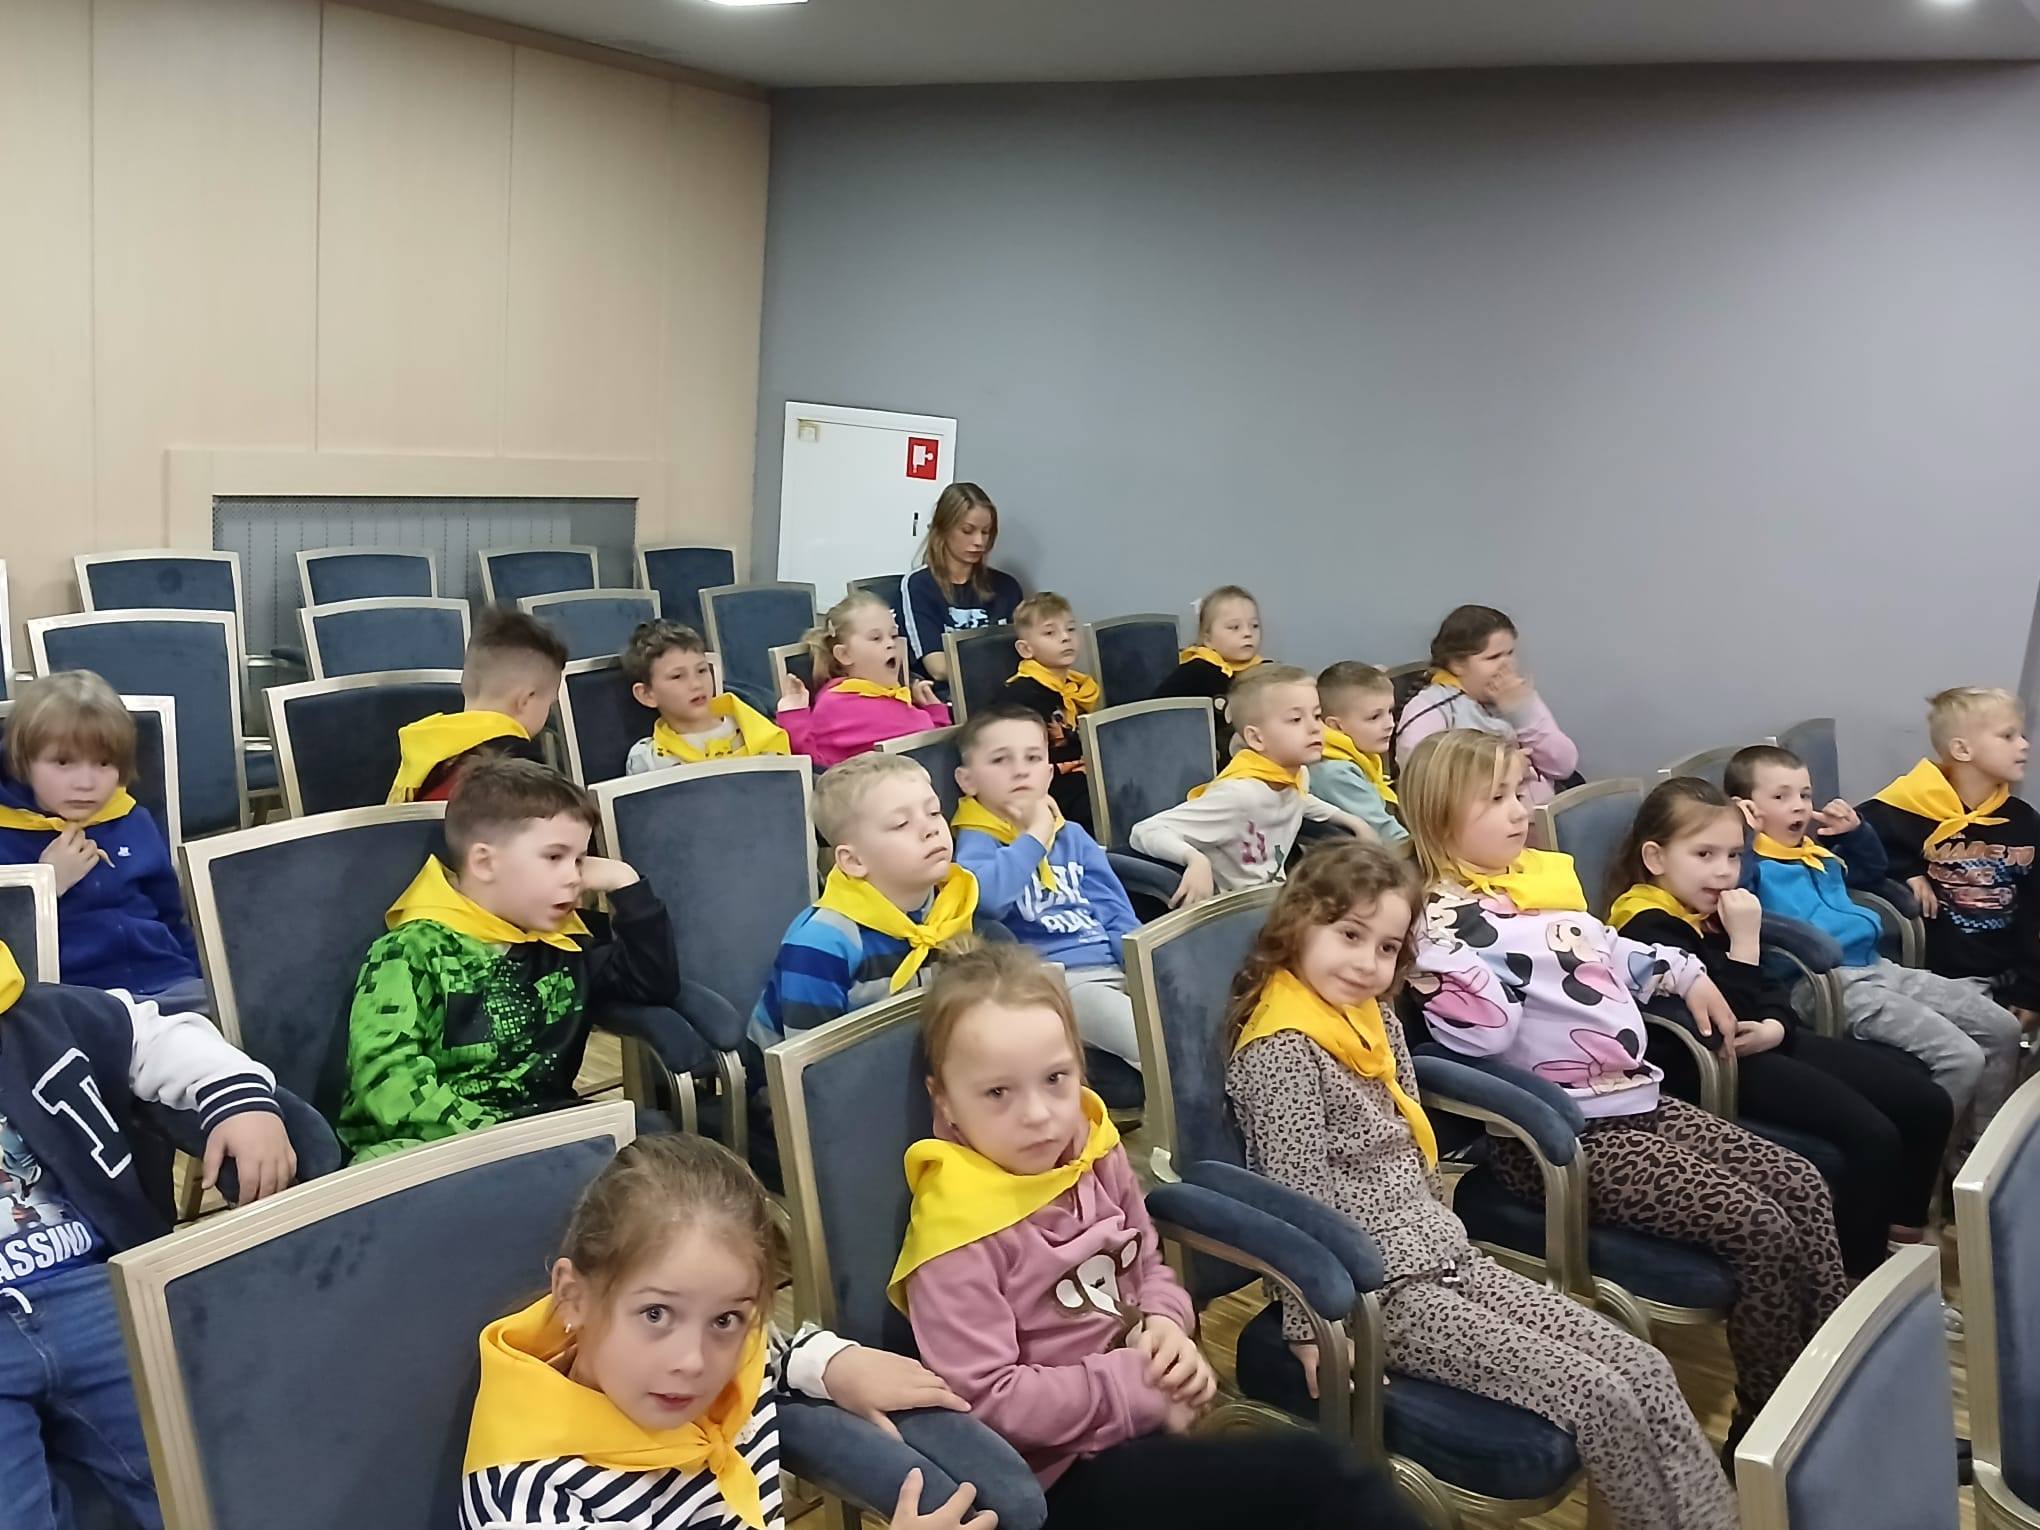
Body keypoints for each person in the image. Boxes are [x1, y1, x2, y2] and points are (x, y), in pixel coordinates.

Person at [1226, 842, 1735, 1530]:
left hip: (1442, 1252)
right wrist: (1311, 1329)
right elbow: (1295, 1208)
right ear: (1298, 924)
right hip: (1375, 1293)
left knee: (1642, 1366)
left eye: (1386, 948)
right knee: (1598, 1395)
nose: (1367, 963)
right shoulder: (1281, 1050)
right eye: (1349, 935)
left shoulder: (1368, 1016)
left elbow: (1408, 1143)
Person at [1401, 729, 1848, 1445]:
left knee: (1801, 1183)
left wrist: (1685, 971)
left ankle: (1831, 1395)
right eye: (1496, 798)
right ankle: (1769, 1435)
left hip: (1632, 1098)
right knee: (1761, 1225)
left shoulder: (1532, 883)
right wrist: (1453, 970)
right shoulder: (1433, 923)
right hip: (1559, 1137)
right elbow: (1480, 1037)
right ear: (1437, 813)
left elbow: (1609, 948)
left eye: (1520, 791)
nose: (1520, 810)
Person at [895, 944, 1420, 1530]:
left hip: (1143, 1426)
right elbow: (989, 1399)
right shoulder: (955, 1231)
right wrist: (1139, 1386)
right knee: (1324, 1481)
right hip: (1053, 1479)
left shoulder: (1091, 1148)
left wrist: (1168, 1324)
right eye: (998, 1092)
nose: (1039, 1114)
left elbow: (1146, 1267)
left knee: (1331, 1480)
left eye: (1056, 1079)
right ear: (945, 1100)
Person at [462, 1131, 994, 1530]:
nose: (694, 1361)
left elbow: (767, 1350)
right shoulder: (535, 1502)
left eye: (725, 1319)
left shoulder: (720, 1358)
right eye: (656, 1315)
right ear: (574, 1297)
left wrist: (832, 1364)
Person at [0, 936, 298, 1529]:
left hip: (98, 1289)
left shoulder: (44, 1016)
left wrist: (239, 1099)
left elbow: (153, 1036)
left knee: (209, 1480)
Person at [1608, 776, 1954, 1276]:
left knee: (1926, 1102)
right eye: (1704, 855)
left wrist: (1777, 1025)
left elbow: (1767, 989)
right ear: (1656, 858)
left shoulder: (1708, 906)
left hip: (1762, 1041)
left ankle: (1903, 1243)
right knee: (1873, 1137)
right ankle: (1858, 1280)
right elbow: (1722, 1018)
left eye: (1733, 856)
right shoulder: (1645, 927)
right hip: (1711, 1066)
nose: (1724, 871)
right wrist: (1745, 945)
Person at [340, 758, 677, 1162]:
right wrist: (508, 1146)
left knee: (666, 1164)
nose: (574, 877)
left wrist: (625, 883)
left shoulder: (563, 941)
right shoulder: (410, 951)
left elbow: (651, 983)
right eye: (554, 857)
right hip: (433, 1147)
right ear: (485, 862)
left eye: (580, 860)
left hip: (546, 1132)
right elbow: (388, 1082)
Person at [1733, 742, 2023, 1145]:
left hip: (1876, 966)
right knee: (1961, 1057)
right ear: (1747, 809)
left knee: (2003, 1028)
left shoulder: (1815, 853)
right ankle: (1926, 1165)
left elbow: (1870, 871)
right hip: (1822, 983)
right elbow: (1736, 893)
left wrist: (1856, 832)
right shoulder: (1750, 867)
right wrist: (1743, 836)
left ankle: (1979, 1150)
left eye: (1805, 795)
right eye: (1781, 797)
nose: (1799, 806)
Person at [0, 671, 207, 1012]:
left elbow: (172, 918)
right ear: (24, 762)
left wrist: (203, 982)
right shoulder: (6, 835)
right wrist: (44, 885)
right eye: (63, 762)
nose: (85, 783)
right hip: (77, 1004)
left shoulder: (133, 819)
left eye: (104, 763)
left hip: (170, 986)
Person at [951, 705, 1143, 1068]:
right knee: (1154, 1040)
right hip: (1057, 983)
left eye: (1033, 757)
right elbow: (988, 900)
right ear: (967, 780)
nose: (1020, 770)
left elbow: (1115, 911)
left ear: (1049, 772)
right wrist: (1036, 834)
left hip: (1114, 967)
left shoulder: (1071, 835)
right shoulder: (976, 842)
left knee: (1195, 1013)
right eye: (1000, 760)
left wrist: (1141, 972)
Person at [752, 754, 977, 1046]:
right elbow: (812, 1064)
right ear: (854, 861)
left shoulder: (953, 905)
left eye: (933, 812)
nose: (931, 828)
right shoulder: (821, 943)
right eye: (901, 823)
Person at [1860, 687, 2040, 1027]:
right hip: (1947, 978)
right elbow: (1852, 839)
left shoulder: (2024, 821)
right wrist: (1907, 871)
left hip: (2014, 973)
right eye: (2008, 736)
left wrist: (2031, 992)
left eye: (2022, 735)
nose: (2024, 745)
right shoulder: (1909, 805)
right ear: (1962, 749)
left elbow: (2035, 911)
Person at [1129, 665, 1373, 908]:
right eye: (1296, 719)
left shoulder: (1296, 775)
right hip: (1235, 912)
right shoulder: (1239, 795)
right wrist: (1195, 860)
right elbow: (1146, 830)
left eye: (1317, 715)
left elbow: (1298, 798)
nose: (1315, 728)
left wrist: (1353, 821)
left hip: (1276, 901)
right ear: (1257, 738)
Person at [1393, 605, 1578, 806]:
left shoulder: (1518, 695)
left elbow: (1563, 766)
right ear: (1457, 664)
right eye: (1494, 657)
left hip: (1542, 813)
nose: (1507, 665)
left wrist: (1522, 713)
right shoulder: (1430, 707)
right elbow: (1424, 782)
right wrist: (1504, 768)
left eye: (1510, 653)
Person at [388, 608, 562, 803]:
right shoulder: (521, 764)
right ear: (526, 700)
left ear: (465, 685)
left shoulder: (418, 751)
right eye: (549, 705)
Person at [778, 591, 950, 768]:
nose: (891, 644)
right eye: (876, 638)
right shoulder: (837, 704)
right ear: (844, 654)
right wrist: (794, 717)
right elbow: (816, 765)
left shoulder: (896, 697)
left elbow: (931, 754)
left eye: (893, 635)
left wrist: (935, 712)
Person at [899, 482, 1023, 693]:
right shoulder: (919, 585)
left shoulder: (1007, 587)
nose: (979, 542)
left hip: (1003, 695)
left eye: (986, 532)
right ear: (943, 529)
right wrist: (999, 670)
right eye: (967, 531)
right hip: (948, 697)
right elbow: (938, 667)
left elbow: (1025, 652)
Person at [621, 619, 789, 774]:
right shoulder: (647, 761)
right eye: (677, 676)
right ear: (647, 695)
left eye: (702, 670)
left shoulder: (761, 733)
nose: (696, 684)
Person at [1000, 592, 1101, 832]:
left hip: (1081, 772)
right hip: (1048, 785)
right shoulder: (1022, 695)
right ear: (1025, 649)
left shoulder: (1078, 686)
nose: (1065, 637)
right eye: (1050, 633)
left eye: (1071, 629)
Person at [1150, 585, 1263, 753]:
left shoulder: (1265, 672)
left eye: (1254, 625)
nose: (1248, 633)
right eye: (1234, 627)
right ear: (1208, 638)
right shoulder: (1196, 672)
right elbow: (1153, 719)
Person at [1308, 661, 1407, 848]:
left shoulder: (1361, 757)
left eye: (1390, 712)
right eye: (1374, 717)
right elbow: (1388, 835)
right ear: (1335, 726)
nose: (1390, 724)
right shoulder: (1335, 773)